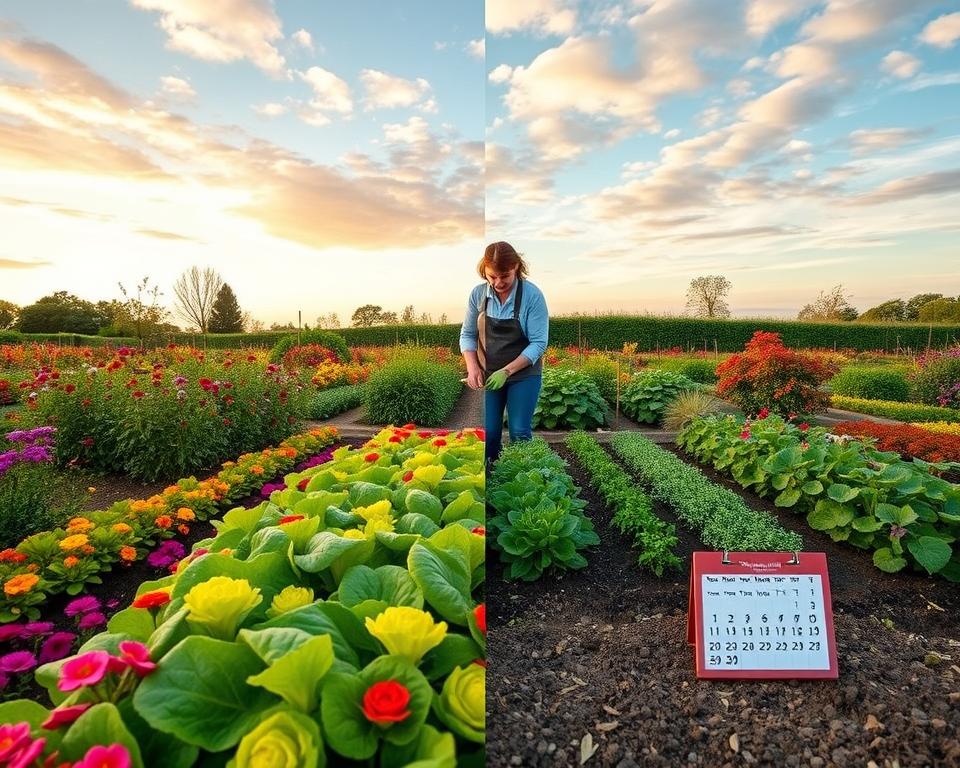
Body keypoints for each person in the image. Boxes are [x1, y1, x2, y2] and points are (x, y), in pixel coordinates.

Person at [459, 241, 549, 468]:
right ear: (485, 271)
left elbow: (539, 343)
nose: (498, 282)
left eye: (504, 276)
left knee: (519, 431)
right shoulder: (478, 295)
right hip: (491, 376)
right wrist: (473, 367)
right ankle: (492, 480)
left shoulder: (532, 295)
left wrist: (507, 370)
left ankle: (525, 480)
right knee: (489, 435)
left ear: (516, 267)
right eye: (492, 276)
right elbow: (467, 335)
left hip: (523, 374)